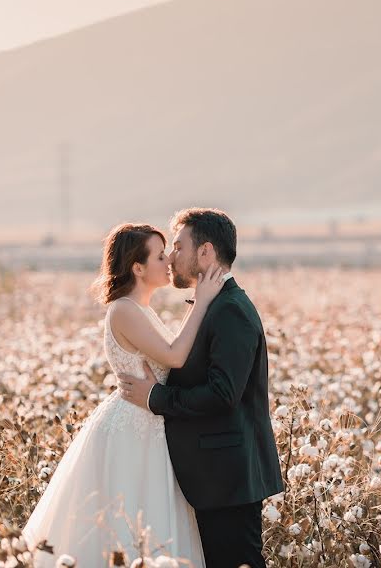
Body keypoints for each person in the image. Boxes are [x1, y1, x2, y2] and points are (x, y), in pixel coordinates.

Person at [22, 222, 225, 567]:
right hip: (133, 429)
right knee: (129, 520)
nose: (169, 262)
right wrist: (202, 302)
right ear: (138, 267)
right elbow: (175, 355)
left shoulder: (140, 309)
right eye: (160, 256)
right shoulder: (125, 310)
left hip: (148, 423)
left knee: (148, 520)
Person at [119, 207, 285, 568]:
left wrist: (155, 398)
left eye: (178, 246)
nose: (171, 257)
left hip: (228, 476)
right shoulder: (213, 304)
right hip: (213, 475)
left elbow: (223, 394)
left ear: (206, 252)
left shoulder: (230, 310)